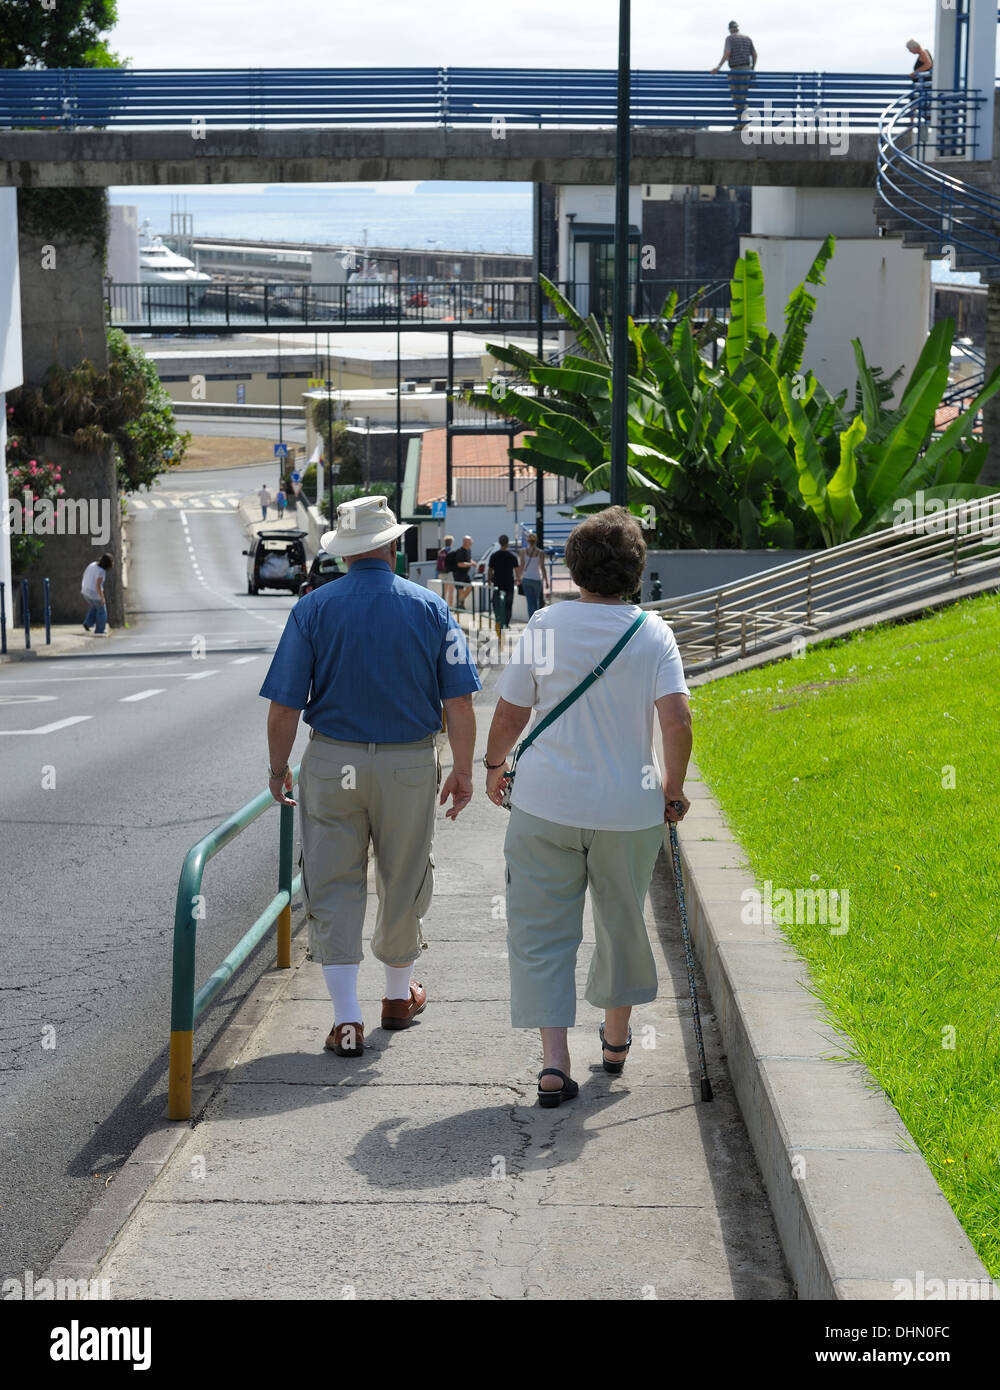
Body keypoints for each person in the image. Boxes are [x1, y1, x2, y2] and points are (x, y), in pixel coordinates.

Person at [483, 507, 692, 1106]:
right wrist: (672, 788)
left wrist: (496, 767)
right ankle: (617, 1041)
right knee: (620, 922)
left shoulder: (545, 625)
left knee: (542, 930)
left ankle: (554, 1063)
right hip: (629, 810)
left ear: (574, 567)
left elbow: (510, 713)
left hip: (545, 804)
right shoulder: (653, 633)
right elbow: (676, 719)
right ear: (636, 570)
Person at [259, 495, 482, 1059]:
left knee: (334, 880)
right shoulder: (431, 608)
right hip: (408, 762)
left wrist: (278, 767)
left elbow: (284, 707)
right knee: (403, 875)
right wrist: (461, 768)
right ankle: (396, 997)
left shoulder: (311, 609)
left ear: (345, 552)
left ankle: (346, 1019)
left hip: (334, 760)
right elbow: (458, 702)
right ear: (393, 545)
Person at [711, 20, 757, 128]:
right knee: (743, 96)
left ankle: (741, 123)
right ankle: (743, 122)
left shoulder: (729, 38)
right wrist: (752, 68)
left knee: (737, 96)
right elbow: (755, 55)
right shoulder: (747, 38)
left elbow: (727, 53)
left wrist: (718, 66)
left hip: (736, 70)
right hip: (747, 69)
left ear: (730, 29)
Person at [488, 534, 518, 631]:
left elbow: (490, 570)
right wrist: (517, 580)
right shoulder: (512, 556)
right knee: (508, 604)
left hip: (497, 583)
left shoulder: (494, 555)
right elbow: (516, 570)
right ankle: (506, 623)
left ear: (499, 543)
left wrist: (489, 581)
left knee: (496, 603)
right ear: (508, 543)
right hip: (509, 583)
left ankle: (498, 621)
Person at [81, 553, 113, 636]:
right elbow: (98, 586)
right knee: (102, 611)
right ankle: (100, 630)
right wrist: (102, 598)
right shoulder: (101, 571)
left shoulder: (92, 564)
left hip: (85, 591)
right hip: (93, 593)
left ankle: (87, 623)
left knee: (95, 606)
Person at [518, 533, 548, 618]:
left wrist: (518, 578)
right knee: (536, 601)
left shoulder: (523, 551)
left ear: (527, 541)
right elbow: (542, 567)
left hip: (526, 579)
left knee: (529, 601)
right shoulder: (540, 552)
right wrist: (546, 581)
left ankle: (531, 620)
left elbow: (522, 565)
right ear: (536, 541)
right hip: (537, 579)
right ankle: (536, 619)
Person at [450, 534, 474, 610]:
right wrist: (471, 564)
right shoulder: (460, 551)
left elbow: (468, 559)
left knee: (470, 587)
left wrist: (473, 562)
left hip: (465, 574)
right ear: (465, 542)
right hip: (458, 574)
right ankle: (460, 605)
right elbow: (460, 564)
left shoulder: (468, 550)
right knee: (460, 590)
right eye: (469, 542)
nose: (471, 543)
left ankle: (459, 603)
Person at [437, 533, 455, 608]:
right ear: (451, 542)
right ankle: (450, 607)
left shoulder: (441, 551)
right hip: (449, 573)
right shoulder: (452, 551)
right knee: (451, 591)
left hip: (441, 572)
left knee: (444, 591)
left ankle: (441, 606)